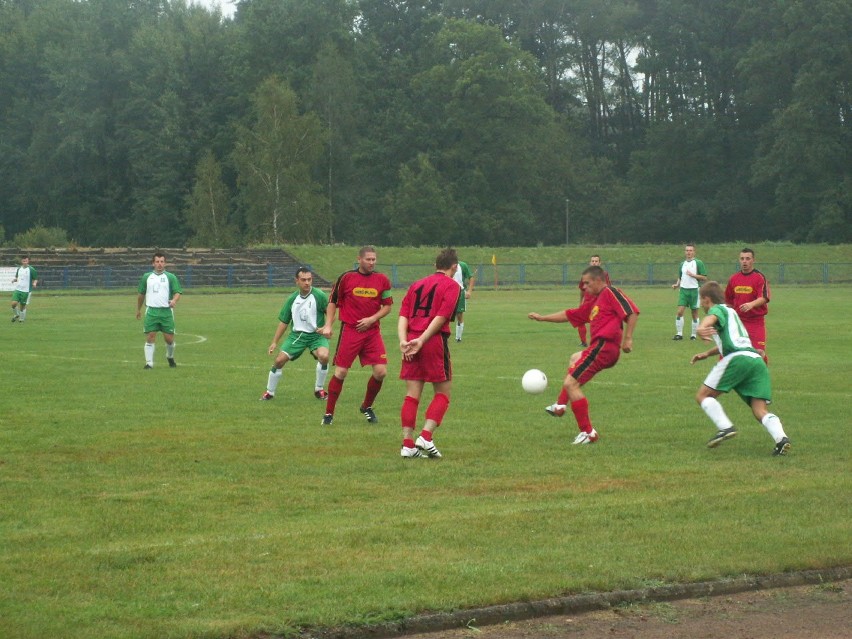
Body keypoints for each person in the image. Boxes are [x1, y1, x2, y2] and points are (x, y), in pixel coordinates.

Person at [528, 265, 639, 444]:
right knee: (574, 358)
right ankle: (560, 405)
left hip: (604, 346)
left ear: (598, 280)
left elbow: (632, 312)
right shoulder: (594, 302)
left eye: (587, 283)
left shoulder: (610, 292)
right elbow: (569, 314)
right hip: (600, 347)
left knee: (571, 384)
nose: (584, 287)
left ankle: (588, 432)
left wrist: (628, 339)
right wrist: (542, 318)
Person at [690, 281, 790, 456]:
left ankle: (725, 427)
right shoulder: (732, 312)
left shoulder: (718, 309)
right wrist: (706, 353)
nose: (701, 303)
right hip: (755, 360)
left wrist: (701, 327)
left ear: (707, 299)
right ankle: (781, 439)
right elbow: (733, 341)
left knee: (702, 396)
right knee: (759, 410)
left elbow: (710, 318)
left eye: (701, 299)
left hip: (737, 359)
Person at [397, 248, 462, 458]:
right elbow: (441, 317)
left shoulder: (416, 285)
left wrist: (403, 341)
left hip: (410, 339)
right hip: (431, 341)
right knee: (443, 392)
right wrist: (422, 340)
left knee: (412, 394)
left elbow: (403, 315)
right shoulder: (452, 286)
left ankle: (408, 444)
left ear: (435, 265)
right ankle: (425, 436)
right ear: (454, 267)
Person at [317, 245, 393, 426]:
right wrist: (328, 324)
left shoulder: (382, 280)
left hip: (372, 332)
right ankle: (328, 414)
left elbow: (388, 306)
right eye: (368, 259)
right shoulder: (346, 278)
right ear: (359, 259)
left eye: (374, 259)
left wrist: (371, 319)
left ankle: (366, 406)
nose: (372, 262)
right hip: (350, 330)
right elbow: (333, 302)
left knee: (381, 372)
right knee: (341, 372)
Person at [259, 266, 330, 401]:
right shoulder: (292, 299)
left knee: (324, 356)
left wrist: (327, 326)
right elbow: (284, 322)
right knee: (279, 361)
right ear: (296, 281)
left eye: (309, 279)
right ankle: (269, 392)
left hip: (316, 336)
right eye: (303, 280)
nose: (307, 283)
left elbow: (331, 313)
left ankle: (319, 390)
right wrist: (274, 342)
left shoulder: (319, 295)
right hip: (297, 336)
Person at [136, 252, 182, 369]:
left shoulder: (170, 277)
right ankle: (149, 363)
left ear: (165, 263)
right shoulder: (146, 277)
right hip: (151, 311)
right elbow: (141, 294)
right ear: (153, 263)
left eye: (162, 261)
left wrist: (174, 301)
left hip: (166, 312)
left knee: (169, 340)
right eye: (157, 261)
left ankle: (170, 356)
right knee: (150, 337)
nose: (160, 264)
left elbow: (177, 292)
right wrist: (138, 309)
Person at [725, 247, 770, 361]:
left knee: (759, 352)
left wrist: (751, 304)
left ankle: (762, 376)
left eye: (747, 259)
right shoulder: (734, 279)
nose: (744, 261)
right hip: (738, 321)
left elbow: (764, 297)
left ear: (753, 260)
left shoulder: (759, 277)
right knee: (731, 353)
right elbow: (728, 301)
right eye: (742, 259)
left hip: (756, 321)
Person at [671, 243, 707, 340]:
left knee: (694, 313)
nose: (688, 252)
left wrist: (693, 275)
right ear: (685, 252)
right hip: (683, 290)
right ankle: (679, 334)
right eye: (687, 250)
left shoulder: (698, 263)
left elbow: (704, 277)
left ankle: (693, 335)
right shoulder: (682, 264)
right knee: (679, 312)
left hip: (695, 291)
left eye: (690, 250)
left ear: (694, 252)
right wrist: (677, 284)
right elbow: (680, 276)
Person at [576, 255, 611, 347]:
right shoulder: (585, 275)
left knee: (597, 322)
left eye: (596, 261)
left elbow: (608, 288)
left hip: (598, 302)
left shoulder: (604, 274)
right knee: (579, 320)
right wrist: (581, 302)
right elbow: (582, 289)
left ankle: (599, 340)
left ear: (599, 263)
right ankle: (583, 342)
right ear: (590, 263)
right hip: (587, 302)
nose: (594, 262)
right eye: (593, 261)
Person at [452, 258, 475, 342]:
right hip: (448, 291)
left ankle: (458, 338)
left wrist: (469, 291)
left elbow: (471, 277)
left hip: (460, 292)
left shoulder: (463, 265)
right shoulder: (445, 265)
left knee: (459, 315)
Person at [10, 254, 38, 323]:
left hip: (26, 291)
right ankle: (16, 314)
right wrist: (14, 280)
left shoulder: (31, 269)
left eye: (26, 261)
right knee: (13, 304)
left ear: (28, 261)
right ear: (21, 261)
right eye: (23, 261)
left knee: (22, 306)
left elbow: (35, 279)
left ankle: (21, 319)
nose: (24, 262)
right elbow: (17, 277)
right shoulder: (19, 269)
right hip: (18, 289)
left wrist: (34, 283)